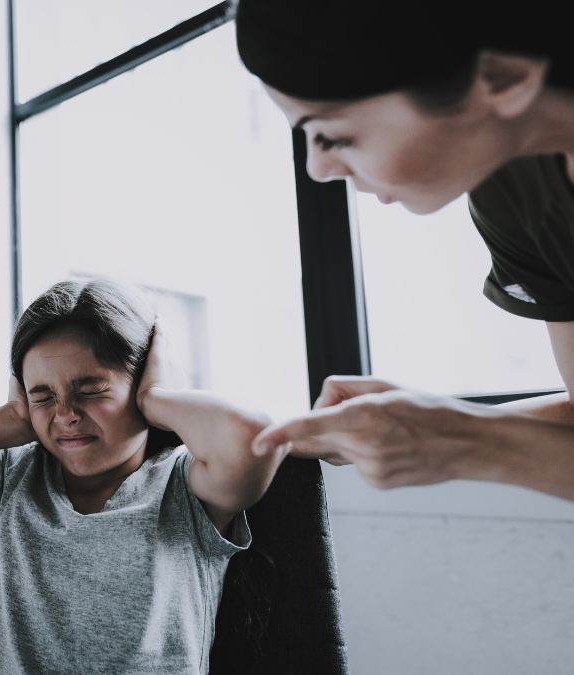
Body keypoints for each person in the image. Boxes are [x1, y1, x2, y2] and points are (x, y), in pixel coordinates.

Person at [0, 279, 284, 673]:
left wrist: (157, 397)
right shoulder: (18, 476)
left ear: (140, 385)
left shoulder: (184, 489)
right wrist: (9, 420)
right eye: (44, 395)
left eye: (90, 390)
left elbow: (254, 436)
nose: (67, 415)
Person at [233, 0, 574, 501]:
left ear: (503, 78)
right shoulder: (513, 189)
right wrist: (421, 424)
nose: (318, 169)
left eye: (332, 135)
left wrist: (471, 444)